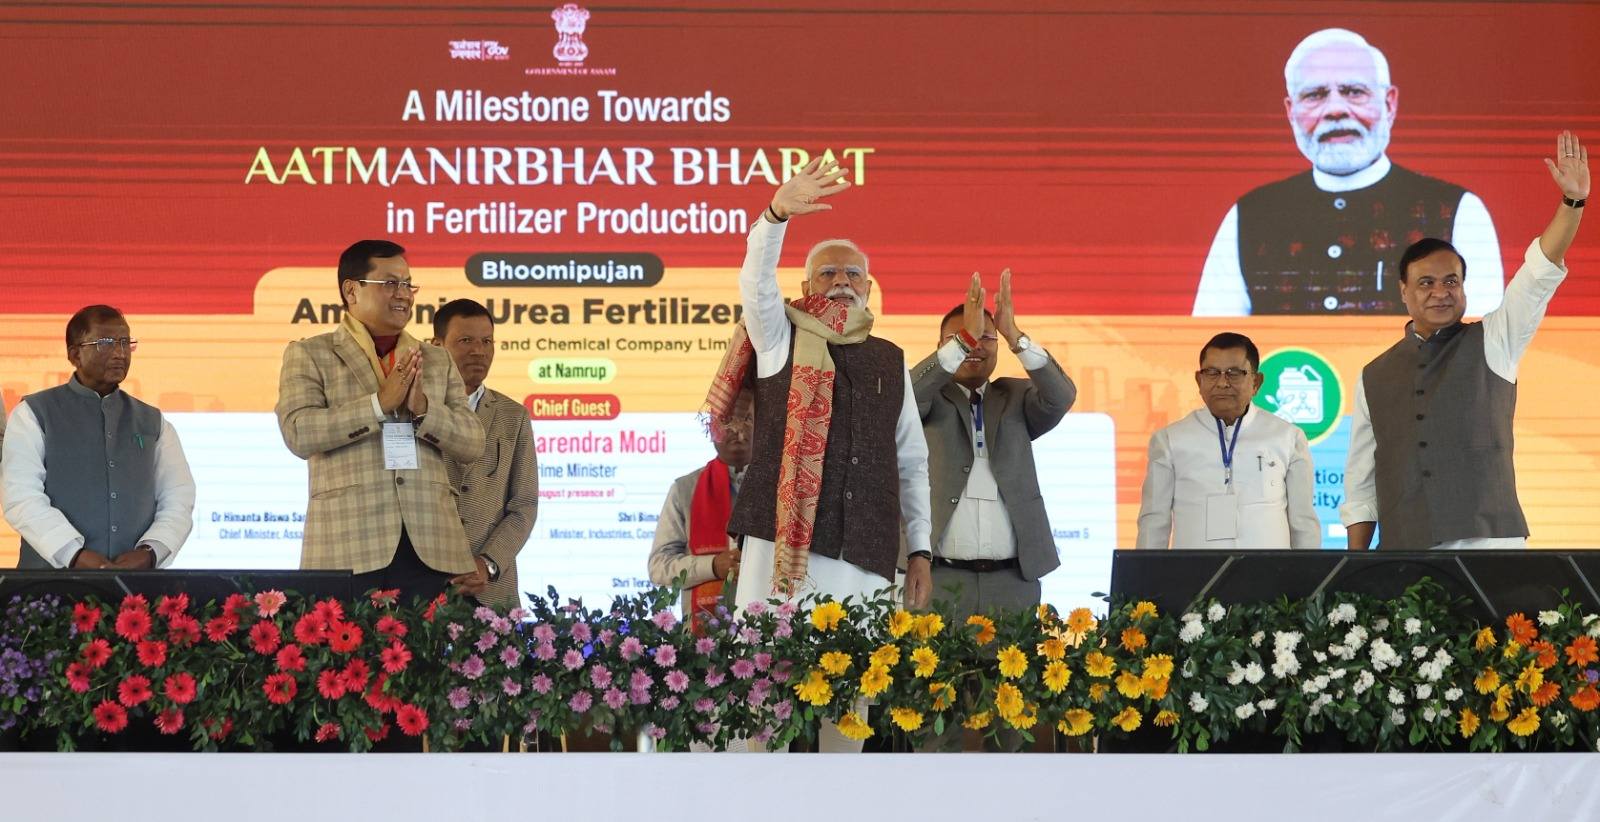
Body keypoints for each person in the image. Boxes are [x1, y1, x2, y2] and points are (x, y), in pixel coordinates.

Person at [706, 158, 934, 753]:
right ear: (807, 285)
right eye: (827, 271)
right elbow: (755, 285)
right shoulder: (778, 338)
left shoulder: (891, 359)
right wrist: (775, 215)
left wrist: (920, 551)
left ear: (869, 287)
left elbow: (911, 461)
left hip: (864, 554)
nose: (841, 281)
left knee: (849, 720)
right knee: (764, 714)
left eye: (853, 273)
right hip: (779, 551)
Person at [1342, 131, 1588, 551]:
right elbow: (1361, 482)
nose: (1441, 292)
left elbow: (1537, 275)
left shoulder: (1495, 339)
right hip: (1407, 547)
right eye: (1426, 283)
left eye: (1451, 281)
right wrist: (1356, 565)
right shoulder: (1373, 375)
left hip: (1489, 543)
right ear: (1403, 291)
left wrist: (1572, 203)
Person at [1194, 28, 1503, 317]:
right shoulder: (1251, 215)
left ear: (1389, 104)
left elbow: (1483, 343)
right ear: (1291, 111)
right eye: (1314, 95)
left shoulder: (1457, 210)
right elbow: (1209, 341)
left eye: (1354, 91)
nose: (1335, 110)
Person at [276, 240, 484, 603]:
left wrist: (425, 410)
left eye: (408, 284)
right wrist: (377, 405)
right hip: (348, 545)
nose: (403, 294)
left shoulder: (436, 359)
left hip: (431, 547)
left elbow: (472, 443)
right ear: (351, 291)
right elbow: (299, 432)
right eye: (390, 283)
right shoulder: (311, 353)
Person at [912, 269, 1075, 616]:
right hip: (938, 578)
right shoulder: (925, 398)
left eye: (986, 337)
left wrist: (1015, 335)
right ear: (941, 348)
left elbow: (1061, 397)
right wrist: (964, 340)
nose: (975, 345)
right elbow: (906, 398)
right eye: (962, 337)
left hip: (1012, 579)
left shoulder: (1015, 396)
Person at [2, 305, 195, 569]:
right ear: (75, 354)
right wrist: (73, 554)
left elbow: (178, 497)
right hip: (49, 586)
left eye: (125, 343)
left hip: (134, 586)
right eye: (105, 343)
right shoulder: (34, 413)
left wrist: (151, 551)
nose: (119, 353)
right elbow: (20, 496)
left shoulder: (152, 420)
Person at [1137, 332, 1320, 549]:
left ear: (1256, 382)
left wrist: (1310, 570)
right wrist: (1146, 571)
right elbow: (1154, 522)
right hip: (1195, 571)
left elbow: (1303, 523)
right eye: (1212, 373)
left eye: (1234, 373)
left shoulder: (1287, 437)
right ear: (1199, 380)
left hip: (1270, 570)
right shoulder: (1171, 440)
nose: (1222, 383)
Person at [430, 298, 538, 609]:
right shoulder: (413, 408)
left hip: (492, 593)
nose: (479, 351)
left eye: (487, 341)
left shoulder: (513, 416)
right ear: (437, 346)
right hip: (424, 589)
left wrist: (488, 563)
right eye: (466, 340)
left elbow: (524, 505)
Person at [648, 387, 753, 631]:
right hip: (702, 643)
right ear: (711, 428)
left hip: (770, 636)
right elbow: (659, 567)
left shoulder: (782, 489)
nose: (737, 430)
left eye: (747, 419)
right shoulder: (684, 489)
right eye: (727, 421)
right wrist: (712, 566)